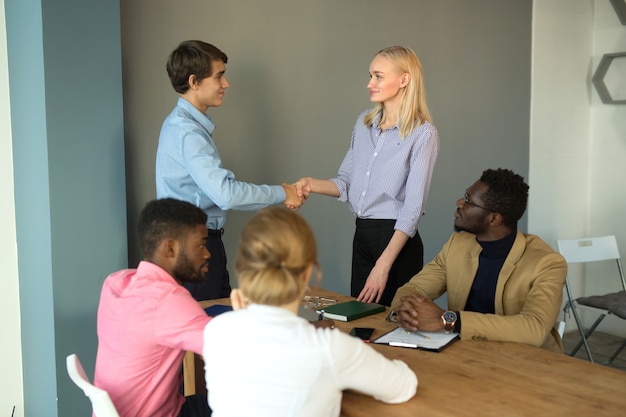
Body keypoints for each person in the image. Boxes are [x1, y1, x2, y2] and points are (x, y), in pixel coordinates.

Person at [202, 207, 417, 417]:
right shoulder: (329, 349)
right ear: (308, 272)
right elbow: (404, 386)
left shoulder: (215, 332)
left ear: (243, 268)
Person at [156, 40, 303, 302]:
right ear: (194, 81)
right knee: (204, 336)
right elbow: (226, 195)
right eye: (219, 76)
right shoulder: (187, 133)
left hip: (197, 244)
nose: (226, 84)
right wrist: (283, 192)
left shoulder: (182, 126)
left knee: (215, 329)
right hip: (193, 248)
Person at [296, 46, 439, 306]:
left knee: (392, 329)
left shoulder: (423, 134)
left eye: (378, 76)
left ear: (404, 80)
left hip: (395, 242)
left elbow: (413, 209)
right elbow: (346, 183)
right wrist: (310, 184)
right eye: (370, 76)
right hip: (362, 235)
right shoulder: (363, 123)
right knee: (361, 323)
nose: (369, 83)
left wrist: (383, 265)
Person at [391, 168, 567, 353]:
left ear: (494, 219)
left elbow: (534, 328)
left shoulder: (547, 263)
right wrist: (410, 312)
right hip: (466, 353)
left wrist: (448, 320)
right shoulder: (457, 244)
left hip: (526, 362)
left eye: (468, 201)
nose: (459, 203)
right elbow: (414, 289)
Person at [94, 198, 214, 417]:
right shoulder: (168, 300)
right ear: (171, 247)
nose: (207, 254)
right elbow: (232, 350)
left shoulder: (114, 282)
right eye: (200, 244)